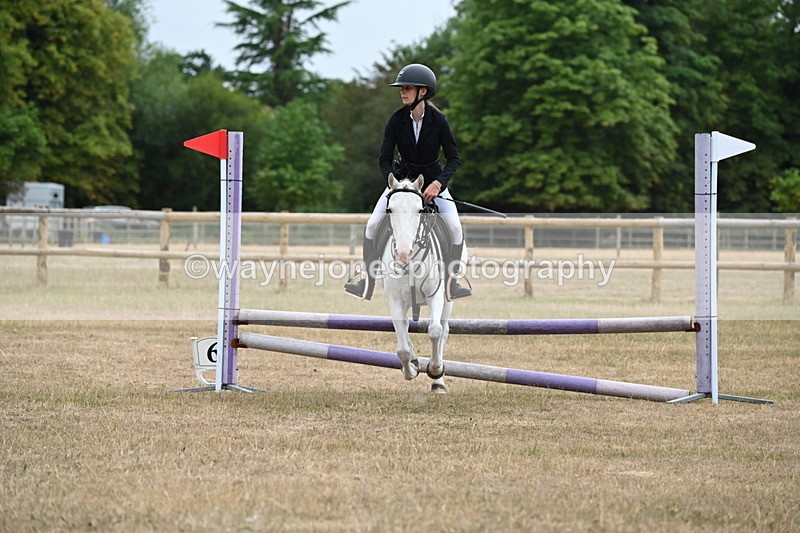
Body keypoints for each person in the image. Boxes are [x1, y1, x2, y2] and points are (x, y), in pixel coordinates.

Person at [344, 63, 472, 302]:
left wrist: (438, 184)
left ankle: (452, 282)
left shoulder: (439, 121)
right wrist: (394, 184)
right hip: (400, 184)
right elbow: (384, 159)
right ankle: (367, 281)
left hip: (432, 184)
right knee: (372, 225)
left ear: (423, 92)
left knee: (455, 228)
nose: (402, 92)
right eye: (401, 88)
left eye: (408, 88)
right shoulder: (395, 120)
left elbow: (454, 159)